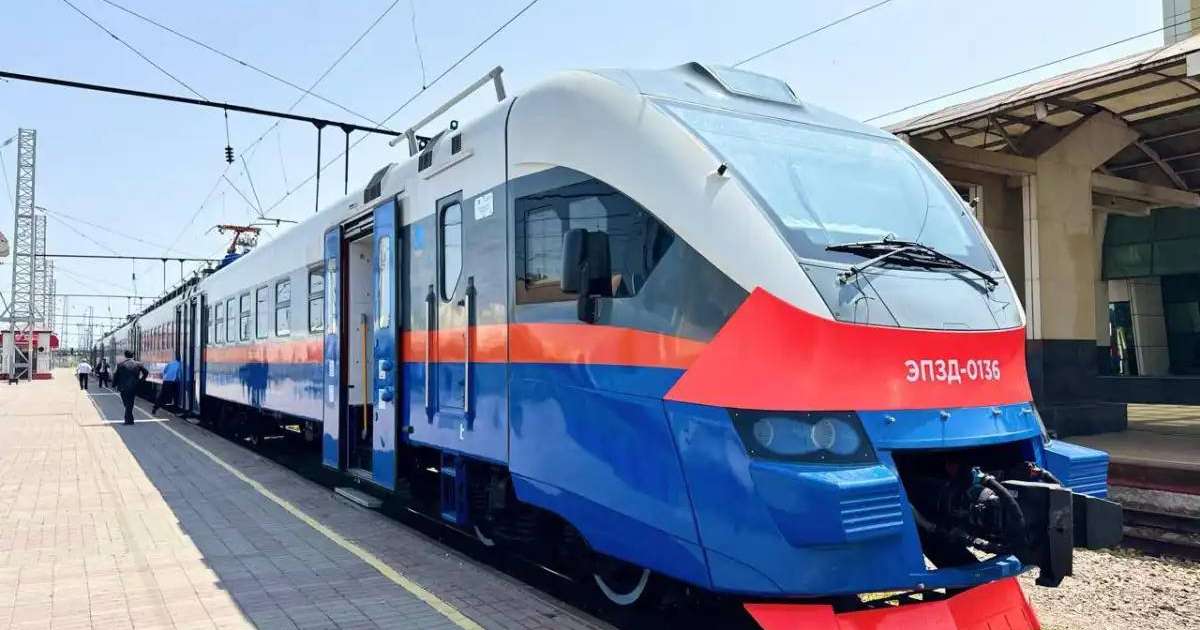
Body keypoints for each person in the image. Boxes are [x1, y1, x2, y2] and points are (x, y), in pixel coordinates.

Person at [112, 350, 148, 425]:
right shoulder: (138, 364)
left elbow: (116, 376)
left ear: (125, 356)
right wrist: (140, 381)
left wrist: (114, 385)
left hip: (123, 387)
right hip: (134, 387)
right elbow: (146, 372)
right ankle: (130, 419)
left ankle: (128, 420)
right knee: (129, 403)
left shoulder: (120, 365)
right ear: (133, 356)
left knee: (127, 403)